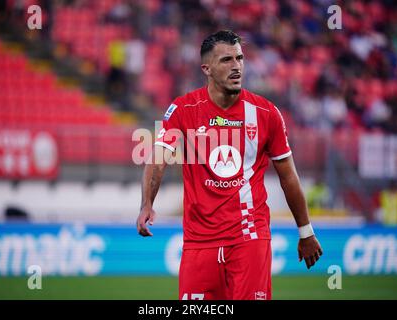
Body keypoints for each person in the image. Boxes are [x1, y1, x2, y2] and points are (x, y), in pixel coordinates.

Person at [136, 30, 323, 300]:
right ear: (207, 69)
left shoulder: (266, 113)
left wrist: (306, 231)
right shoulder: (183, 110)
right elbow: (157, 159)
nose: (236, 66)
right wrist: (146, 203)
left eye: (240, 58)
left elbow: (289, 177)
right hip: (199, 242)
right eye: (226, 60)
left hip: (249, 238)